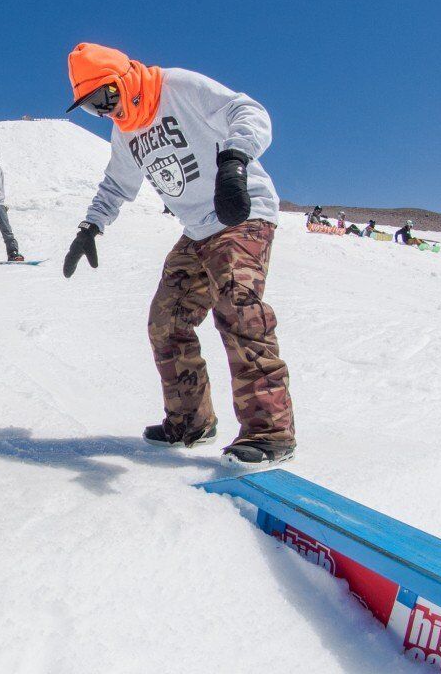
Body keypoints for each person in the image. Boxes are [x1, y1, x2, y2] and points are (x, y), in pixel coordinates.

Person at [62, 43, 296, 467]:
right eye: (92, 107)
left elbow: (250, 111)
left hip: (242, 213)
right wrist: (90, 226)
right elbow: (116, 186)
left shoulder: (178, 86)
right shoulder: (125, 132)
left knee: (238, 308)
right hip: (199, 231)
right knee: (166, 322)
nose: (105, 111)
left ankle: (269, 432)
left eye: (105, 97)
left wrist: (234, 161)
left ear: (125, 79)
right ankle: (191, 421)